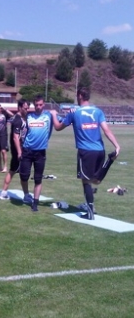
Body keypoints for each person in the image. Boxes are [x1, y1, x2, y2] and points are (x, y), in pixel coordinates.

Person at [50, 87, 120, 220]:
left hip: (85, 151)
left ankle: (90, 211)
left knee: (86, 182)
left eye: (77, 95)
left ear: (80, 96)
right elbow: (107, 130)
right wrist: (117, 145)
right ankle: (109, 161)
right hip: (100, 150)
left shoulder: (74, 113)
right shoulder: (98, 111)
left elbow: (58, 127)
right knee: (96, 181)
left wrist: (54, 115)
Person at [19, 94, 53, 212]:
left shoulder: (49, 116)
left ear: (43, 104)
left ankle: (35, 203)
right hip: (27, 150)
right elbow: (18, 117)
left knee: (38, 179)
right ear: (33, 105)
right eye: (36, 105)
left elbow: (56, 126)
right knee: (24, 176)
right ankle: (26, 194)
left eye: (40, 104)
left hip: (40, 152)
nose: (38, 107)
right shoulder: (28, 116)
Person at [0, 99, 29, 199]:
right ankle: (26, 195)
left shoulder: (20, 118)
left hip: (21, 149)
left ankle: (4, 192)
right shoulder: (18, 120)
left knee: (16, 171)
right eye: (25, 108)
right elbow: (15, 137)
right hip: (18, 151)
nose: (27, 110)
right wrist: (19, 152)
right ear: (20, 108)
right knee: (17, 172)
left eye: (27, 108)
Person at [0, 103, 14, 172]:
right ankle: (0, 167)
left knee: (3, 151)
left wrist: (5, 109)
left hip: (3, 135)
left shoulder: (4, 115)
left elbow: (12, 115)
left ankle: (5, 167)